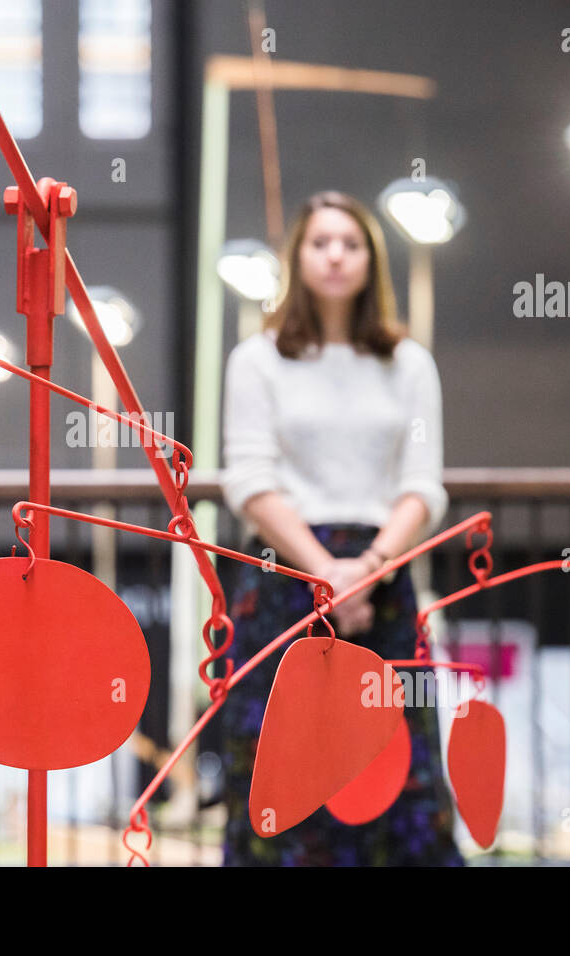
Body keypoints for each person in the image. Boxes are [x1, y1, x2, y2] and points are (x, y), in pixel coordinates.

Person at [218, 190, 463, 866]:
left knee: (394, 765)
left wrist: (367, 566)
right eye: (320, 241)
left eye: (350, 244)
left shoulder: (408, 363)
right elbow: (249, 480)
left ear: (369, 261)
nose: (334, 255)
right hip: (282, 580)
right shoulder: (257, 359)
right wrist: (324, 570)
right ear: (298, 256)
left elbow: (422, 485)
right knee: (280, 763)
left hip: (381, 582)